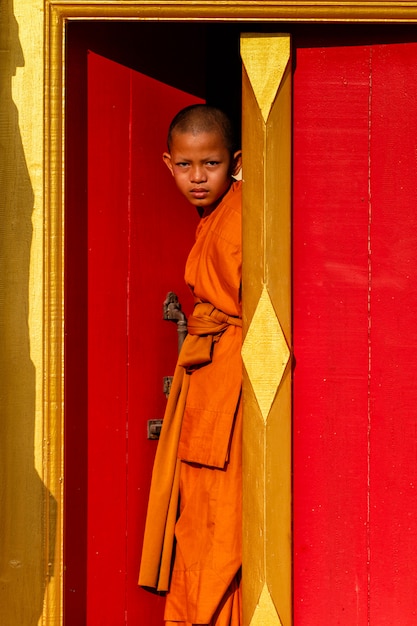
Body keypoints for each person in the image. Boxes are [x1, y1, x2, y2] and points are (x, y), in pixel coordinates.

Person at [139, 104, 243, 626]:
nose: (198, 178)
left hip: (233, 386)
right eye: (185, 165)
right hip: (209, 378)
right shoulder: (213, 218)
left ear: (236, 162)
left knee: (218, 519)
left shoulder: (248, 214)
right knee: (199, 516)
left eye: (211, 164)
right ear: (168, 163)